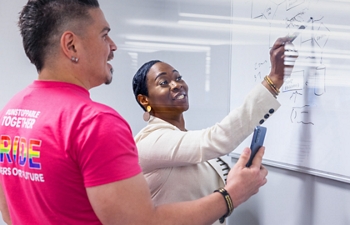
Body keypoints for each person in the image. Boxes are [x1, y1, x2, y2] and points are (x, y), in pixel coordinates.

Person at [0, 0, 269, 224]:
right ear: (71, 46)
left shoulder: (10, 113)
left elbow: (9, 208)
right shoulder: (94, 122)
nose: (113, 46)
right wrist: (231, 195)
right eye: (104, 35)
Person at [132, 38, 296, 224]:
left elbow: (208, 198)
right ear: (144, 100)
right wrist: (274, 80)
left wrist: (237, 180)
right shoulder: (149, 141)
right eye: (163, 82)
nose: (177, 84)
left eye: (178, 78)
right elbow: (217, 139)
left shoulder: (184, 140)